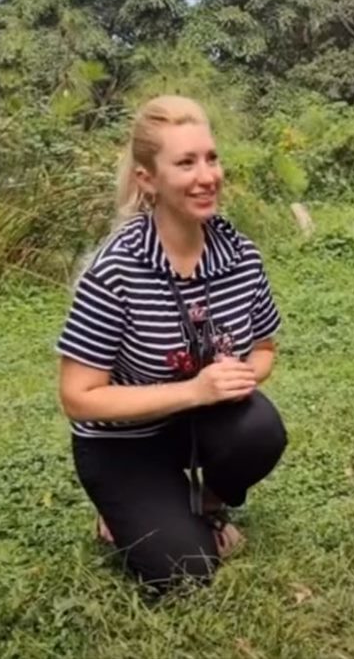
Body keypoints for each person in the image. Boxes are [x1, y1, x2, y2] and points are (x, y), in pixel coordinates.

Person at [57, 95, 287, 593]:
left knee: (260, 427)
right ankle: (122, 510)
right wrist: (195, 391)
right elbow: (78, 396)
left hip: (196, 426)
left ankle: (206, 502)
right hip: (121, 441)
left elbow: (264, 348)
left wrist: (239, 376)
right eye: (185, 162)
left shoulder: (241, 256)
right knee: (186, 572)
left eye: (211, 157)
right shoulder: (116, 270)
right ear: (148, 179)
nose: (207, 176)